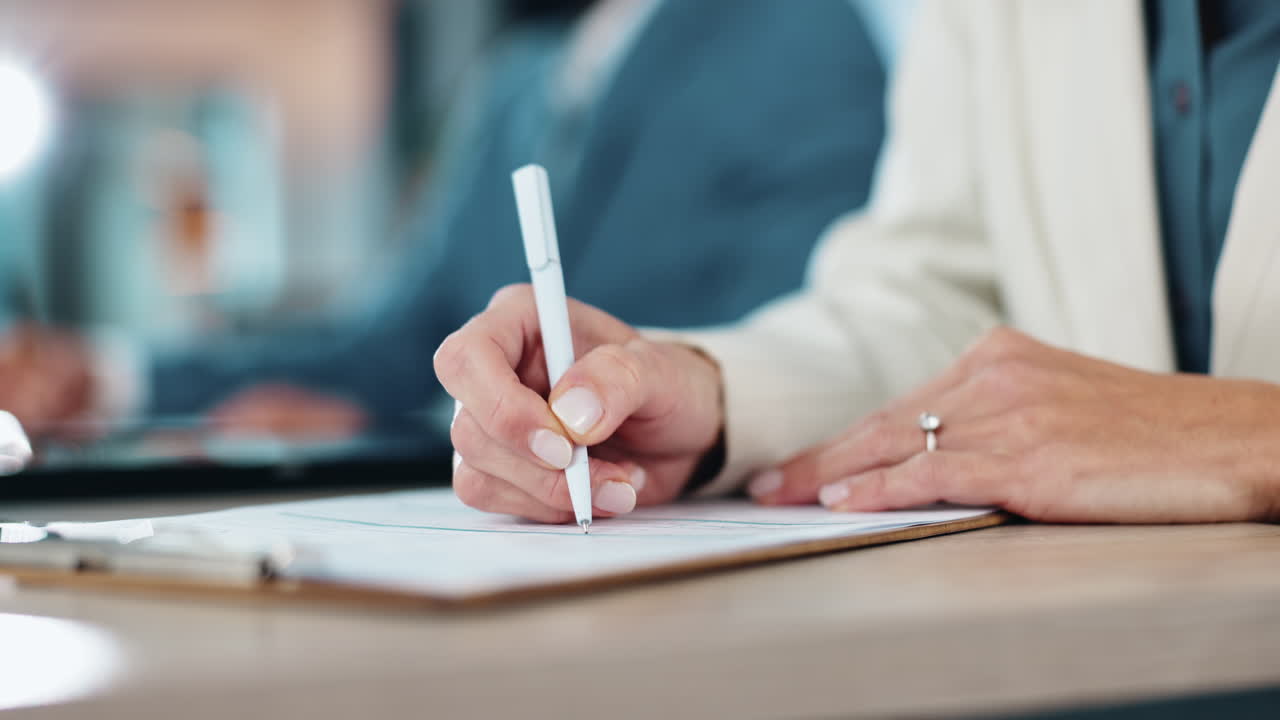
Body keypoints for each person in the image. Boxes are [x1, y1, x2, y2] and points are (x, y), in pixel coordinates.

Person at [432, 0, 1280, 523]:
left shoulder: (794, 42)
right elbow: (939, 297)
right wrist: (713, 399)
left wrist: (1246, 437)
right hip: (1108, 641)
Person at [0, 0, 887, 445]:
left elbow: (800, 344)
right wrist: (112, 379)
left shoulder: (804, 36)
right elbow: (397, 340)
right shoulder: (518, 79)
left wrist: (383, 440)